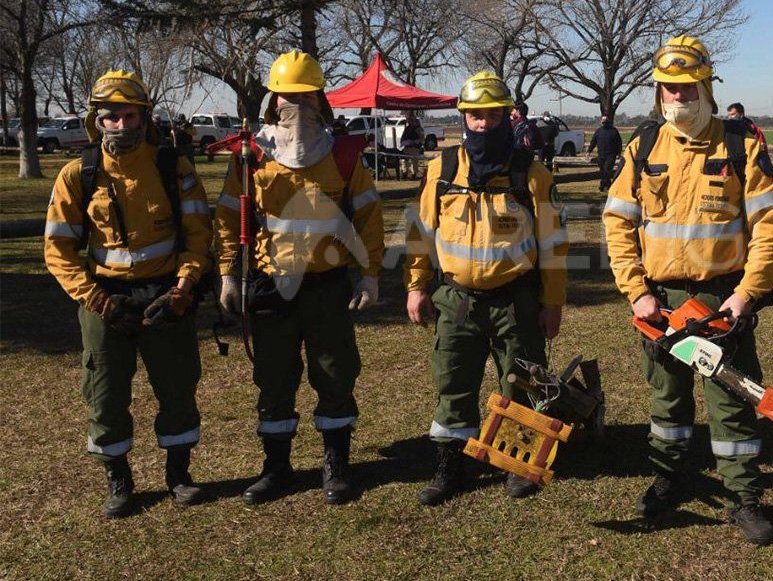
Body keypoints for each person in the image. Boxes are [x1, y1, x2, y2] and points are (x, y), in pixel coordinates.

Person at [603, 35, 773, 545]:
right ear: (658, 91)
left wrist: (746, 294)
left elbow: (771, 226)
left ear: (706, 86)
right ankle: (669, 478)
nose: (679, 96)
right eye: (670, 87)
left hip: (719, 300)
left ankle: (743, 497)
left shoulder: (740, 145)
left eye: (688, 86)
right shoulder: (643, 146)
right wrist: (636, 292)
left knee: (730, 400)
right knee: (667, 398)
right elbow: (618, 222)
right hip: (659, 301)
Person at [215, 51, 384, 506]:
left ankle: (336, 465)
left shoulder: (343, 155)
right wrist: (228, 274)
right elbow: (229, 219)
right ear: (273, 101)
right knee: (274, 380)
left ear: (321, 100)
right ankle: (276, 468)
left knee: (335, 375)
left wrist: (369, 276)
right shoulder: (252, 156)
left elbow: (369, 218)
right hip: (272, 288)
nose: (297, 106)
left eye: (307, 97)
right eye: (288, 97)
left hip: (327, 288)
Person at [44, 70, 212, 518]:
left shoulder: (173, 167)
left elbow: (199, 235)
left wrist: (183, 289)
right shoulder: (76, 174)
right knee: (104, 394)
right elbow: (58, 250)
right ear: (96, 121)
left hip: (167, 296)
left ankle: (179, 475)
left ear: (145, 118)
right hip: (104, 299)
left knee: (177, 388)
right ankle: (118, 480)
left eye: (129, 116)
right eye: (110, 117)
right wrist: (96, 300)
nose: (120, 125)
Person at [405, 72, 568, 506]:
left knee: (522, 382)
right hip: (456, 299)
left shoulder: (531, 173)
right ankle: (450, 465)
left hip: (516, 300)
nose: (482, 124)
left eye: (492, 115)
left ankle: (517, 462)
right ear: (464, 117)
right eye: (475, 115)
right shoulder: (442, 169)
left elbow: (554, 245)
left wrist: (552, 303)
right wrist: (416, 286)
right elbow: (421, 234)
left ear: (506, 116)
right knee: (452, 381)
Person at [588, 114, 623, 191]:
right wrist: (589, 151)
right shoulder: (598, 131)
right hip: (601, 155)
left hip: (611, 155)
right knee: (602, 171)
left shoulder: (613, 131)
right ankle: (608, 185)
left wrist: (619, 153)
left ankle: (602, 185)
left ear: (608, 121)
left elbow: (618, 143)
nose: (604, 122)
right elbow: (593, 142)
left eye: (605, 120)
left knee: (607, 170)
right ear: (601, 121)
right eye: (603, 120)